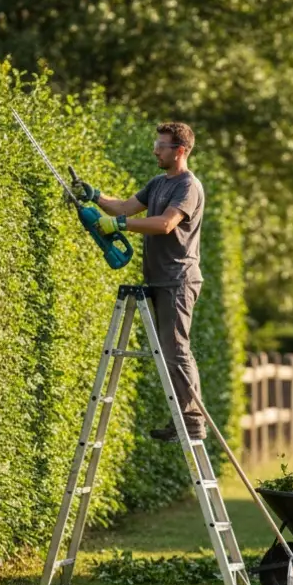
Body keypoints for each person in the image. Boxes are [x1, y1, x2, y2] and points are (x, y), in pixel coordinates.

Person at [72, 122, 207, 442]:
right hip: (159, 278)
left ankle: (191, 421)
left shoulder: (188, 186)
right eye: (156, 144)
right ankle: (185, 419)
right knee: (169, 350)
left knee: (176, 350)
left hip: (178, 279)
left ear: (181, 151)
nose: (155, 150)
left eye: (162, 146)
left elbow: (164, 224)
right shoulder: (158, 183)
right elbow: (124, 207)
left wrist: (119, 224)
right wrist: (95, 196)